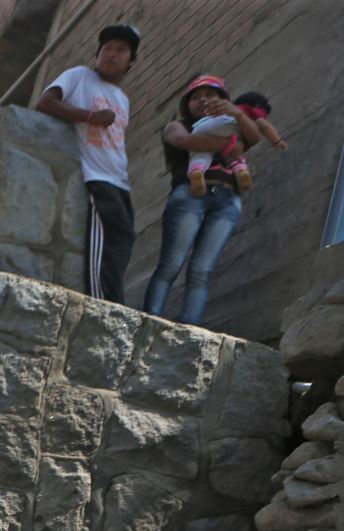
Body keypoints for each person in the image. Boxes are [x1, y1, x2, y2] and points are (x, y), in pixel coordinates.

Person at [141, 76, 267, 327]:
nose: (203, 100)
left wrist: (238, 117)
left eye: (211, 95)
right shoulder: (178, 125)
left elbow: (255, 138)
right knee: (171, 264)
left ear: (223, 101)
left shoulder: (234, 124)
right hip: (190, 194)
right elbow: (185, 142)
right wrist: (233, 141)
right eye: (196, 97)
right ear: (187, 104)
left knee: (202, 271)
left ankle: (190, 327)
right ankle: (148, 320)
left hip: (227, 199)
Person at [37, 24, 140, 303]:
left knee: (125, 237)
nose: (112, 54)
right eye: (107, 49)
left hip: (120, 180)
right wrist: (90, 117)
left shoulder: (123, 99)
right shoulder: (79, 76)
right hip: (97, 177)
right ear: (97, 56)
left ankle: (112, 301)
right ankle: (103, 304)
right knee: (107, 237)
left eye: (121, 50)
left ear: (130, 61)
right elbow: (45, 102)